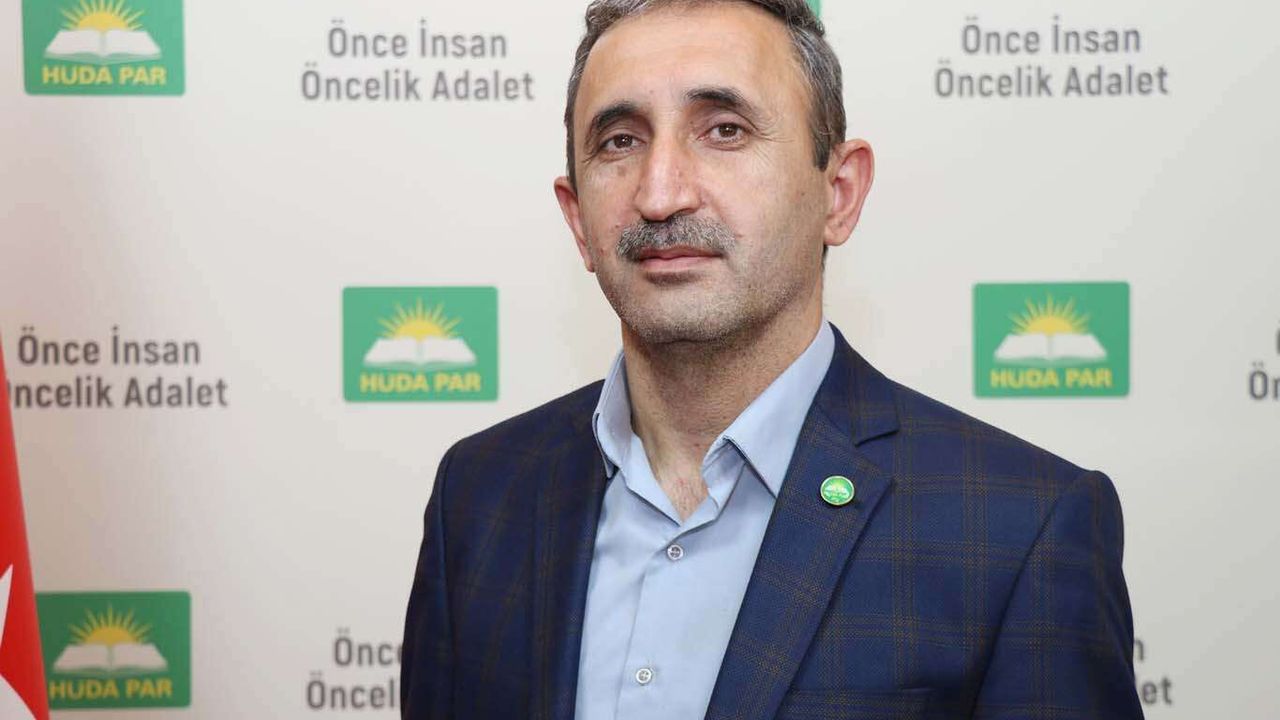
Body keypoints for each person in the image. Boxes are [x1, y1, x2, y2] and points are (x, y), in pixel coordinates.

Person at [400, 1, 1145, 718]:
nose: (660, 193)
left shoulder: (1020, 529)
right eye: (621, 141)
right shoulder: (480, 494)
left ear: (839, 194)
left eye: (724, 130)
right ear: (577, 220)